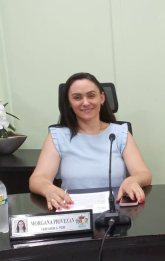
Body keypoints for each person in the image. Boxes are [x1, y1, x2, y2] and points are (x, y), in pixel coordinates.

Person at [30, 72, 151, 211]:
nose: (86, 102)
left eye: (91, 96)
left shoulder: (119, 133)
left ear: (102, 98)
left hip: (115, 213)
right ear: (69, 102)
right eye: (77, 97)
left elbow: (143, 173)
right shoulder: (57, 136)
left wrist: (133, 180)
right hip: (75, 213)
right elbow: (38, 179)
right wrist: (48, 188)